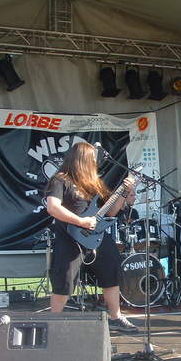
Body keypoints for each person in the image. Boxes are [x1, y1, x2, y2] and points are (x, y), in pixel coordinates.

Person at [45, 141, 138, 332]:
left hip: (97, 235)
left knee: (111, 270)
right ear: (82, 159)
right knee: (65, 279)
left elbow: (110, 212)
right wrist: (81, 222)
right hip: (70, 237)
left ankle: (116, 317)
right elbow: (53, 208)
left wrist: (124, 193)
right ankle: (53, 322)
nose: (95, 162)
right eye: (92, 159)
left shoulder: (94, 183)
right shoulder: (60, 180)